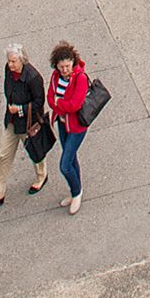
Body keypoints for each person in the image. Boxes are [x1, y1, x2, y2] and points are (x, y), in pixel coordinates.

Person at [0, 44, 50, 208]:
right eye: (9, 61)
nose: (10, 65)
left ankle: (42, 176)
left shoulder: (33, 77)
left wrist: (19, 109)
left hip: (27, 122)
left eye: (14, 61)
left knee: (35, 151)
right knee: (3, 155)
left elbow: (39, 103)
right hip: (12, 121)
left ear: (22, 60)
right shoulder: (9, 70)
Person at [47, 41, 92, 215]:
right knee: (71, 158)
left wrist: (60, 104)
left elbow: (74, 105)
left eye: (67, 66)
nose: (65, 69)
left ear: (73, 62)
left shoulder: (80, 78)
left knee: (65, 165)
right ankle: (76, 192)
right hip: (62, 122)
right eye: (61, 67)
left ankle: (76, 192)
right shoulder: (55, 77)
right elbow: (50, 98)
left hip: (76, 127)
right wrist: (59, 105)